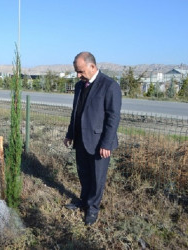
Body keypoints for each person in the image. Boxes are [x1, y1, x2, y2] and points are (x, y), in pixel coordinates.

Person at [63, 52, 122, 226]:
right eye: (76, 71)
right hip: (81, 139)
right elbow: (76, 112)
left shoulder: (109, 86)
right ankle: (83, 200)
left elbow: (113, 118)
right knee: (83, 174)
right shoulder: (80, 86)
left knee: (97, 178)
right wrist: (70, 133)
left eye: (80, 71)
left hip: (99, 143)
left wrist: (106, 143)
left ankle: (93, 209)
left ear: (92, 66)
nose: (78, 75)